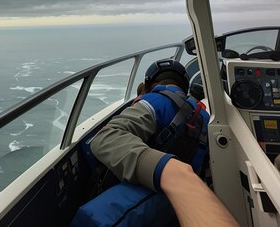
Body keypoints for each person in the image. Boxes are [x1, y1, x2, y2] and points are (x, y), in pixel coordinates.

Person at [71, 59, 234, 227]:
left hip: (149, 203)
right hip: (177, 208)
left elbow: (104, 138)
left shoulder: (153, 102)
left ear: (150, 83)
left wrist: (164, 169)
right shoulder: (204, 116)